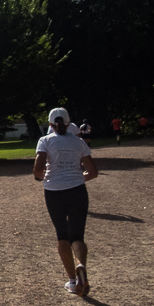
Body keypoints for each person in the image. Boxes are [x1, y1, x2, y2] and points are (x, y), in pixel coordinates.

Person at [33, 107, 99, 296]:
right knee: (77, 235)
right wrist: (78, 178)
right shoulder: (79, 143)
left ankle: (72, 280)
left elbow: (38, 170)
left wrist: (44, 177)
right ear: (69, 124)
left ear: (50, 124)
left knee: (62, 234)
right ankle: (81, 265)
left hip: (54, 191)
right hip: (77, 190)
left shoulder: (44, 141)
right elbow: (93, 172)